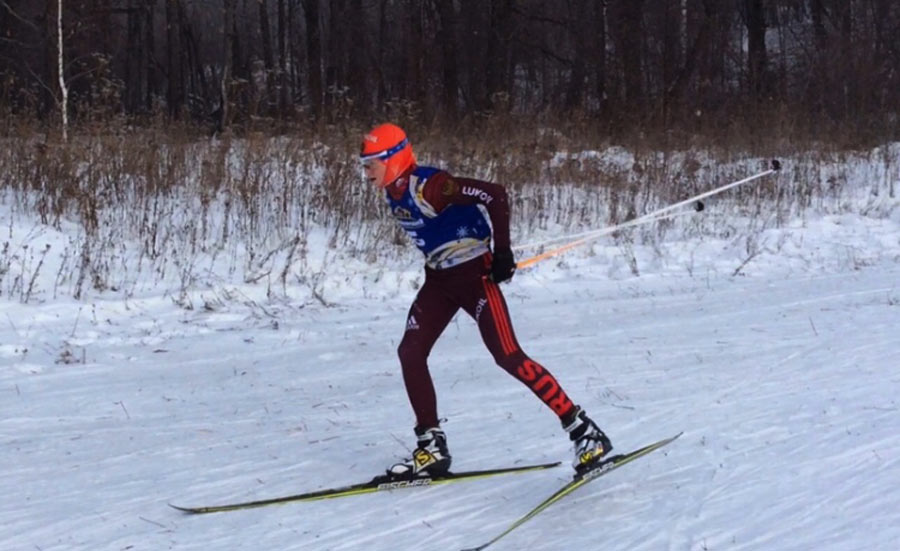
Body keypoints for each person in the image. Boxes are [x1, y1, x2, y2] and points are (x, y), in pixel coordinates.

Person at [359, 123, 612, 478]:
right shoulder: (393, 191)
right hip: (440, 280)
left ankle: (585, 432)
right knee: (410, 352)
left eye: (371, 164)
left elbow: (494, 193)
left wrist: (504, 252)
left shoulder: (431, 186)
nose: (366, 173)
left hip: (475, 277)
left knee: (508, 356)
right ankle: (431, 447)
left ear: (394, 159)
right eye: (364, 165)